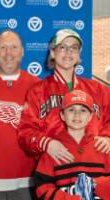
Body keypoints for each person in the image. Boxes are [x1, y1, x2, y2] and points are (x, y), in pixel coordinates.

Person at [18, 29, 110, 164]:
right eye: (62, 47)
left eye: (74, 47)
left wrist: (108, 138)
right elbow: (25, 131)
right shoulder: (38, 91)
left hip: (94, 167)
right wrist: (46, 143)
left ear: (79, 55)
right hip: (54, 170)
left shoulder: (98, 89)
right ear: (52, 52)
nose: (68, 52)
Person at [0, 30, 40, 200]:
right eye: (3, 47)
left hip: (29, 182)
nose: (8, 53)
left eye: (14, 47)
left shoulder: (39, 87)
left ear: (22, 51)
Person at [34, 90, 110, 200]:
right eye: (71, 109)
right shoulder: (53, 149)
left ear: (90, 117)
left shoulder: (102, 147)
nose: (77, 114)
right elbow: (42, 188)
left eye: (83, 110)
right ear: (62, 115)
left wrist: (94, 185)